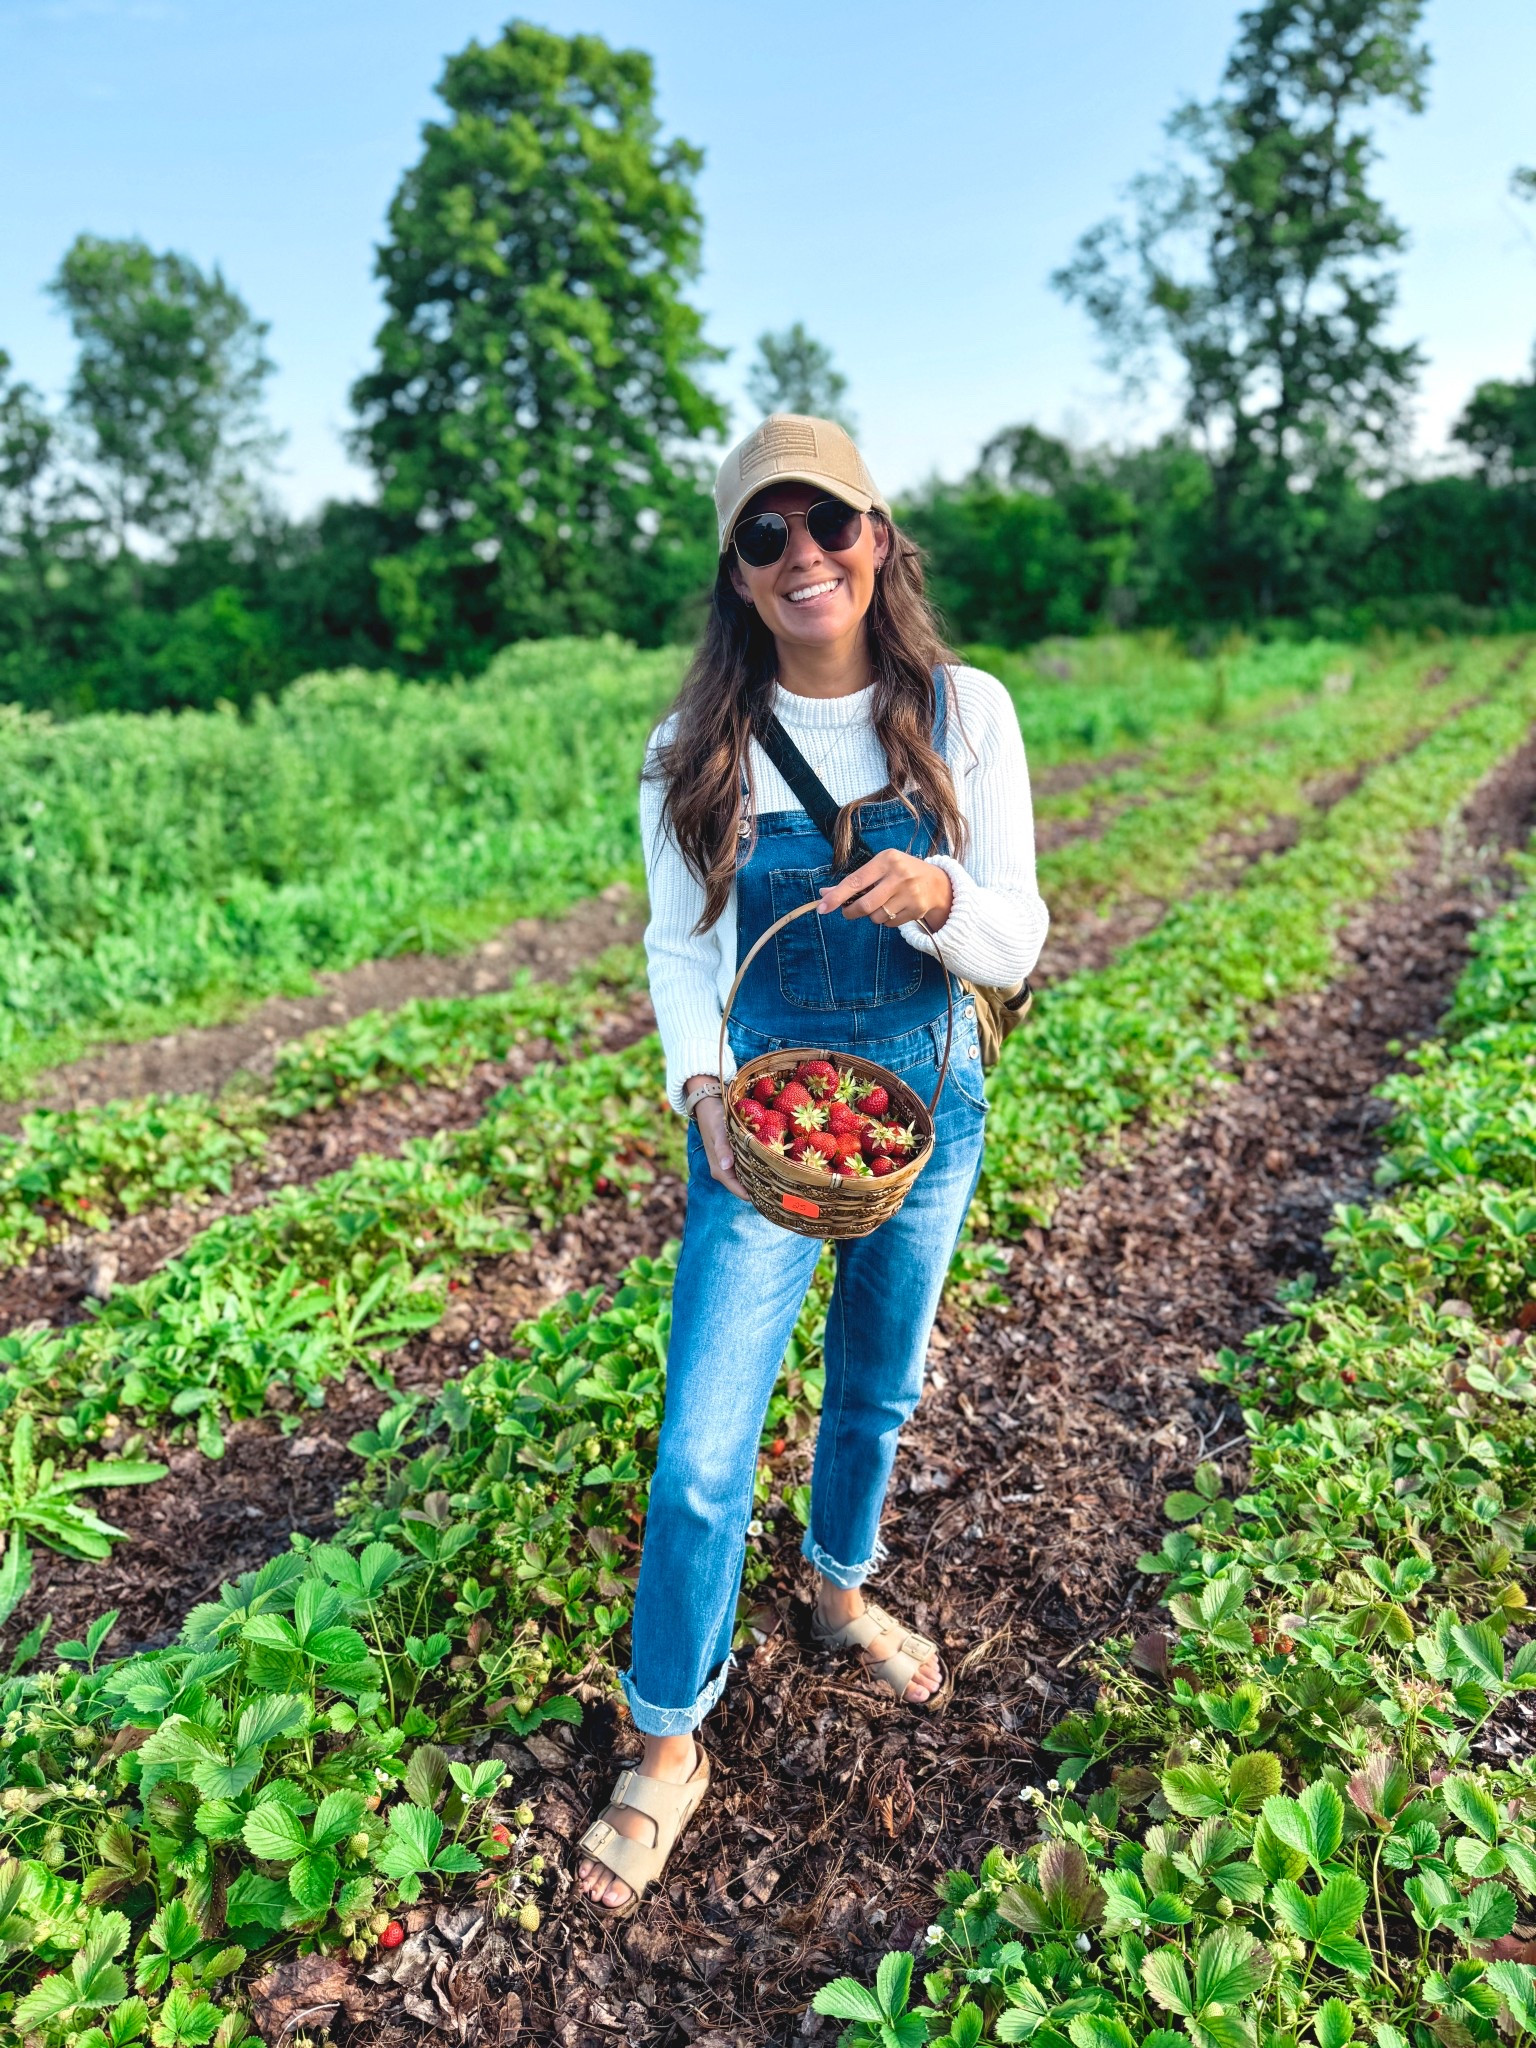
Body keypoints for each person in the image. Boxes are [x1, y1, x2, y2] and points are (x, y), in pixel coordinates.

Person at [575, 414, 1048, 1914]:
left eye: (826, 525)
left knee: (879, 1383)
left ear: (878, 537)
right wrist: (700, 1086)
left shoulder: (963, 711)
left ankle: (839, 1587)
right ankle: (667, 1742)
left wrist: (942, 895)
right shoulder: (691, 749)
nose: (803, 558)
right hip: (770, 1128)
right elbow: (676, 948)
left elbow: (1020, 939)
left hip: (931, 1105)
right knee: (702, 1452)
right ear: (737, 568)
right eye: (766, 536)